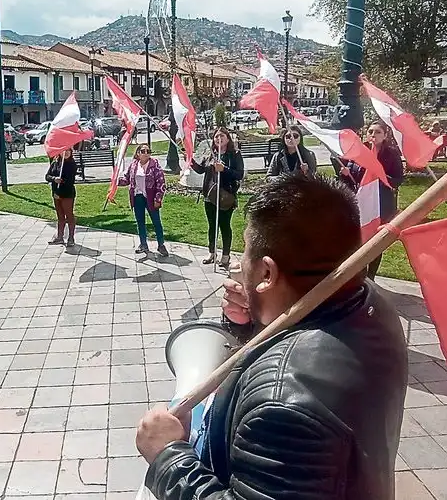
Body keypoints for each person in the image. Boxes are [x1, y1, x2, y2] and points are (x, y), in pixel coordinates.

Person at [135, 173, 408, 500]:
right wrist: (254, 322)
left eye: (245, 251)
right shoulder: (369, 302)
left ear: (267, 272)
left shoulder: (281, 406)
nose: (239, 264)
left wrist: (168, 457)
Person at [334, 121, 405, 279]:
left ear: (385, 135)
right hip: (361, 202)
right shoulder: (361, 151)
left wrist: (378, 176)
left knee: (375, 240)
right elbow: (352, 178)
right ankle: (358, 274)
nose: (373, 135)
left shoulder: (391, 154)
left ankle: (371, 277)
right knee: (358, 239)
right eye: (370, 131)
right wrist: (345, 173)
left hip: (381, 204)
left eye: (378, 132)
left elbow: (398, 179)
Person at [190, 128, 244, 268]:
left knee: (225, 225)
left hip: (226, 196)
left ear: (228, 138)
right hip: (210, 195)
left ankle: (226, 255)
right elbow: (201, 170)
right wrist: (190, 161)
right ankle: (212, 252)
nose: (219, 138)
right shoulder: (211, 153)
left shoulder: (234, 154)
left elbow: (239, 174)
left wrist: (224, 169)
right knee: (212, 225)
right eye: (216, 136)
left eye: (222, 135)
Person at [117, 144, 168, 257]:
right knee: (140, 222)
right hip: (137, 197)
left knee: (156, 222)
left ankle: (161, 244)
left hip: (151, 197)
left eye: (148, 151)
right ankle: (143, 244)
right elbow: (126, 180)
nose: (146, 153)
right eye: (143, 151)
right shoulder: (134, 165)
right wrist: (116, 181)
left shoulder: (155, 165)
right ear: (138, 153)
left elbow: (161, 183)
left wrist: (158, 198)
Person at [45, 148, 77, 246]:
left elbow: (70, 181)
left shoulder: (72, 164)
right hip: (56, 194)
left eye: (68, 151)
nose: (66, 153)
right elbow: (47, 176)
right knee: (60, 216)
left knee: (69, 215)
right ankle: (60, 237)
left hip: (67, 194)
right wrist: (54, 179)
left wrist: (61, 181)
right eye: (64, 151)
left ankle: (71, 238)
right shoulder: (55, 163)